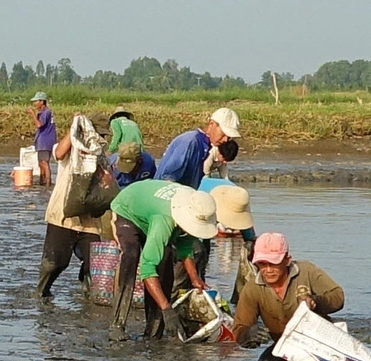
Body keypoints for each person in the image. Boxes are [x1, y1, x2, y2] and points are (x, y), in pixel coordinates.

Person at [108, 178, 217, 338]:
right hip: (128, 209)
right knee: (131, 255)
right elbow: (147, 268)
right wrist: (167, 308)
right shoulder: (164, 220)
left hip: (153, 211)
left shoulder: (196, 206)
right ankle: (117, 324)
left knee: (165, 258)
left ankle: (153, 331)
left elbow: (185, 245)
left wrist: (195, 278)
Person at [37, 116, 119, 297]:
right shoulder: (72, 148)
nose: (101, 139)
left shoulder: (101, 156)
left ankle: (89, 295)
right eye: (98, 134)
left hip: (90, 220)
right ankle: (43, 291)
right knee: (55, 263)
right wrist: (76, 126)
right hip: (63, 216)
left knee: (94, 262)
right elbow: (57, 153)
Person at [228, 233, 345, 346]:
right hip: (284, 346)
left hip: (321, 340)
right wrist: (248, 335)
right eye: (262, 264)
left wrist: (316, 301)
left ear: (287, 260)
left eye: (274, 263)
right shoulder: (252, 288)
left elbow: (338, 297)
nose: (268, 270)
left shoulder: (307, 271)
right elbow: (239, 328)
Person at [157, 107, 242, 188]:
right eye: (223, 134)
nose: (226, 140)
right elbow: (167, 179)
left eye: (229, 137)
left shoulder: (206, 148)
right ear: (212, 124)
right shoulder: (190, 142)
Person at [31, 93, 56, 187]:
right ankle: (43, 182)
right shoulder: (43, 113)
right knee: (40, 163)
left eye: (36, 101)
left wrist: (32, 114)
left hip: (45, 140)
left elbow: (39, 125)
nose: (34, 103)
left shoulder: (46, 112)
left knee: (44, 162)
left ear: (42, 102)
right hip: (42, 140)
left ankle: (48, 183)